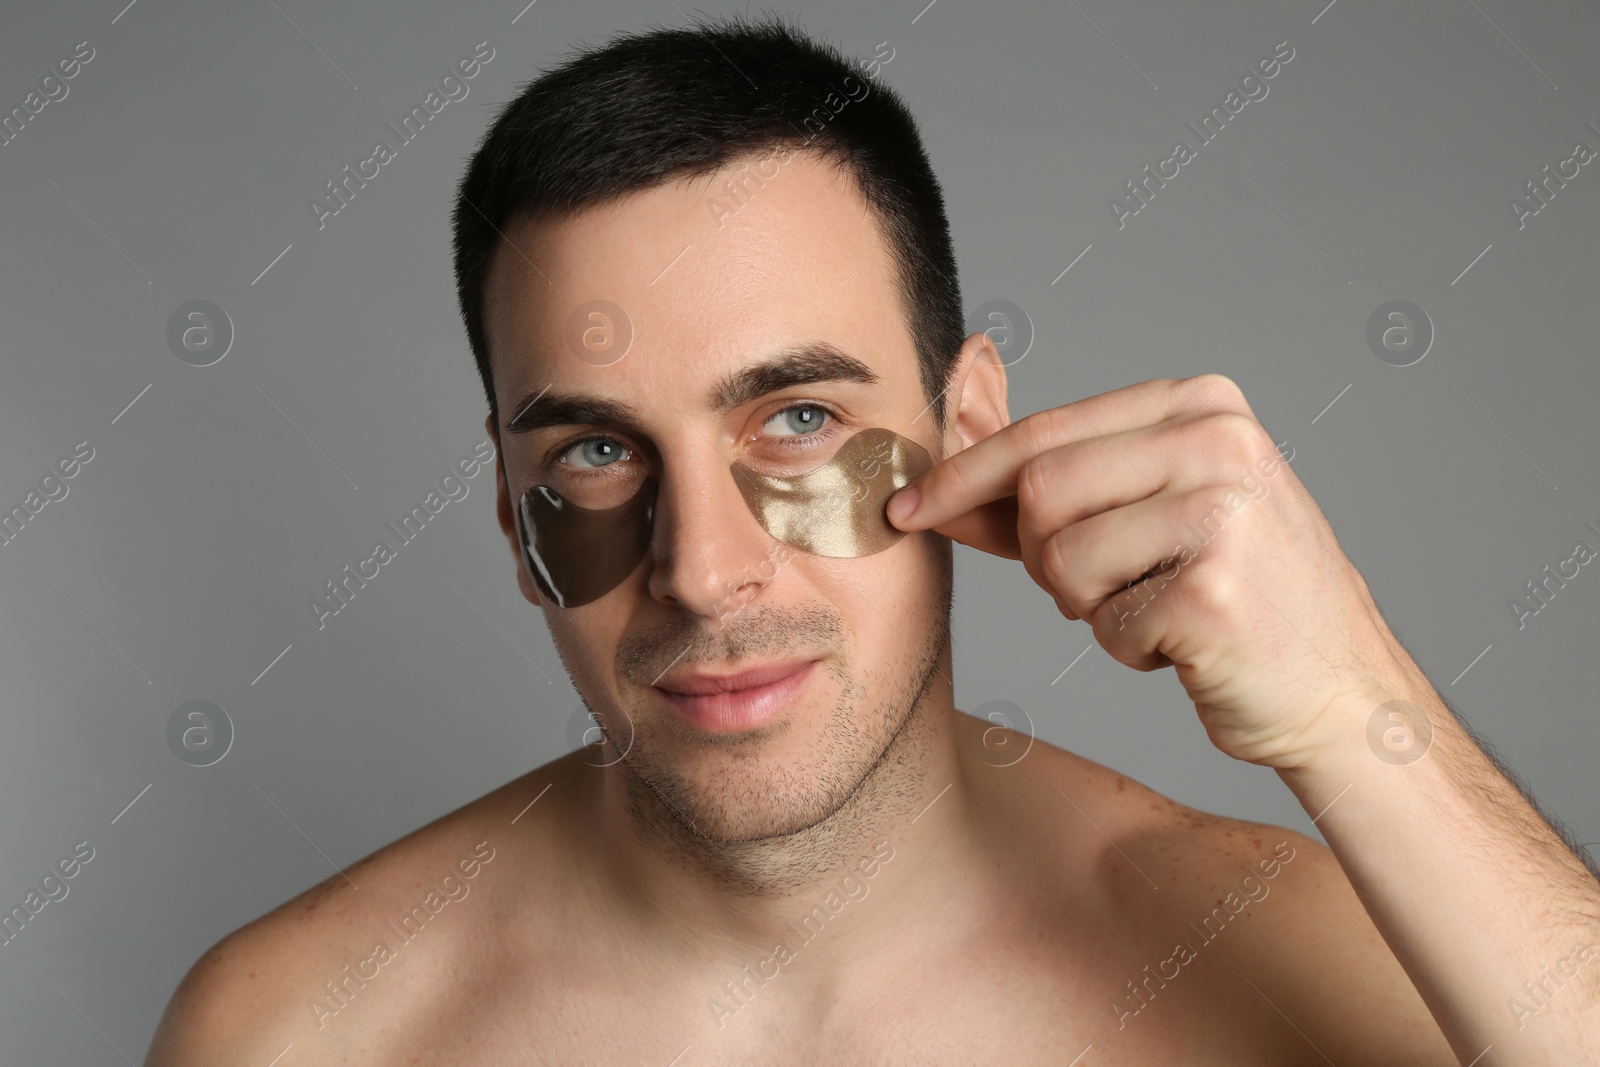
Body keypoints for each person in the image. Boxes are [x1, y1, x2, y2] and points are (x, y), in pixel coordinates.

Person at [145, 13, 1600, 1064]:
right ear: (513, 521)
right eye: (595, 452)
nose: (705, 571)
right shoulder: (300, 1032)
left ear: (969, 427)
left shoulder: (1303, 972)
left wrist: (1361, 707)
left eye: (794, 420)